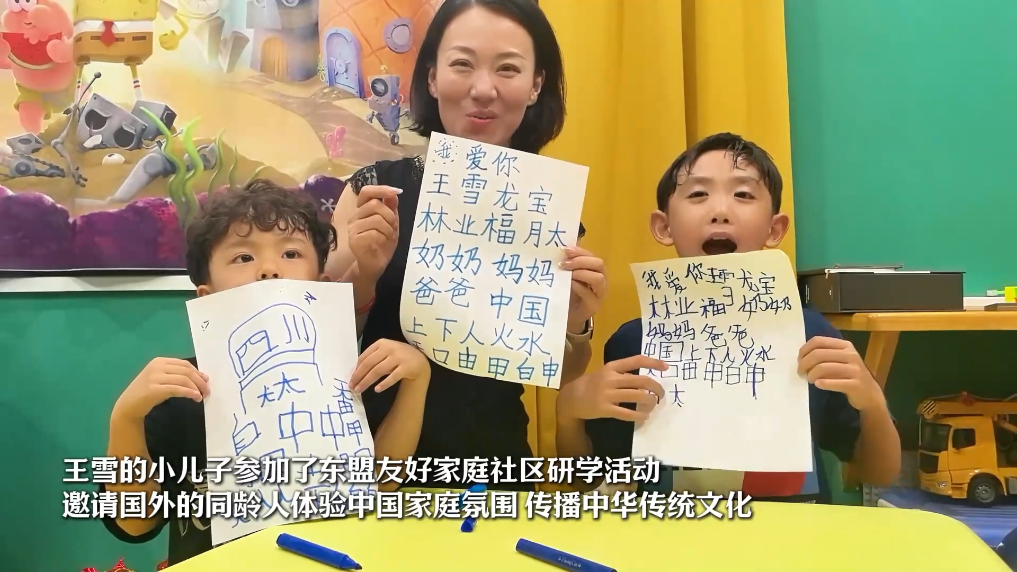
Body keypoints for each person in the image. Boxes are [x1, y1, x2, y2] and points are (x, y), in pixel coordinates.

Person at [327, 0, 605, 490]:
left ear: (536, 85)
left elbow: (560, 373)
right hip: (376, 470)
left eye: (508, 69)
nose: (483, 88)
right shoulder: (375, 189)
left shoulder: (545, 206)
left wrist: (577, 323)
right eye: (462, 64)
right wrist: (364, 273)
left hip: (495, 470)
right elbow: (319, 344)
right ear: (432, 78)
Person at [555, 133, 901, 503]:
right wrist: (568, 412)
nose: (720, 210)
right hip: (669, 533)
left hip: (790, 537)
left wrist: (873, 404)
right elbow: (584, 481)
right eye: (698, 194)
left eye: (743, 195)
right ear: (663, 227)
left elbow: (879, 473)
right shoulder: (633, 344)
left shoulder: (814, 338)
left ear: (775, 229)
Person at [100, 181, 431, 565]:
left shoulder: (351, 375)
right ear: (207, 295)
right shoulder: (179, 391)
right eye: (243, 257)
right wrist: (125, 417)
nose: (269, 269)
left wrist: (416, 380)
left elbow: (380, 483)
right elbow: (135, 524)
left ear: (321, 284)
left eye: (291, 253)